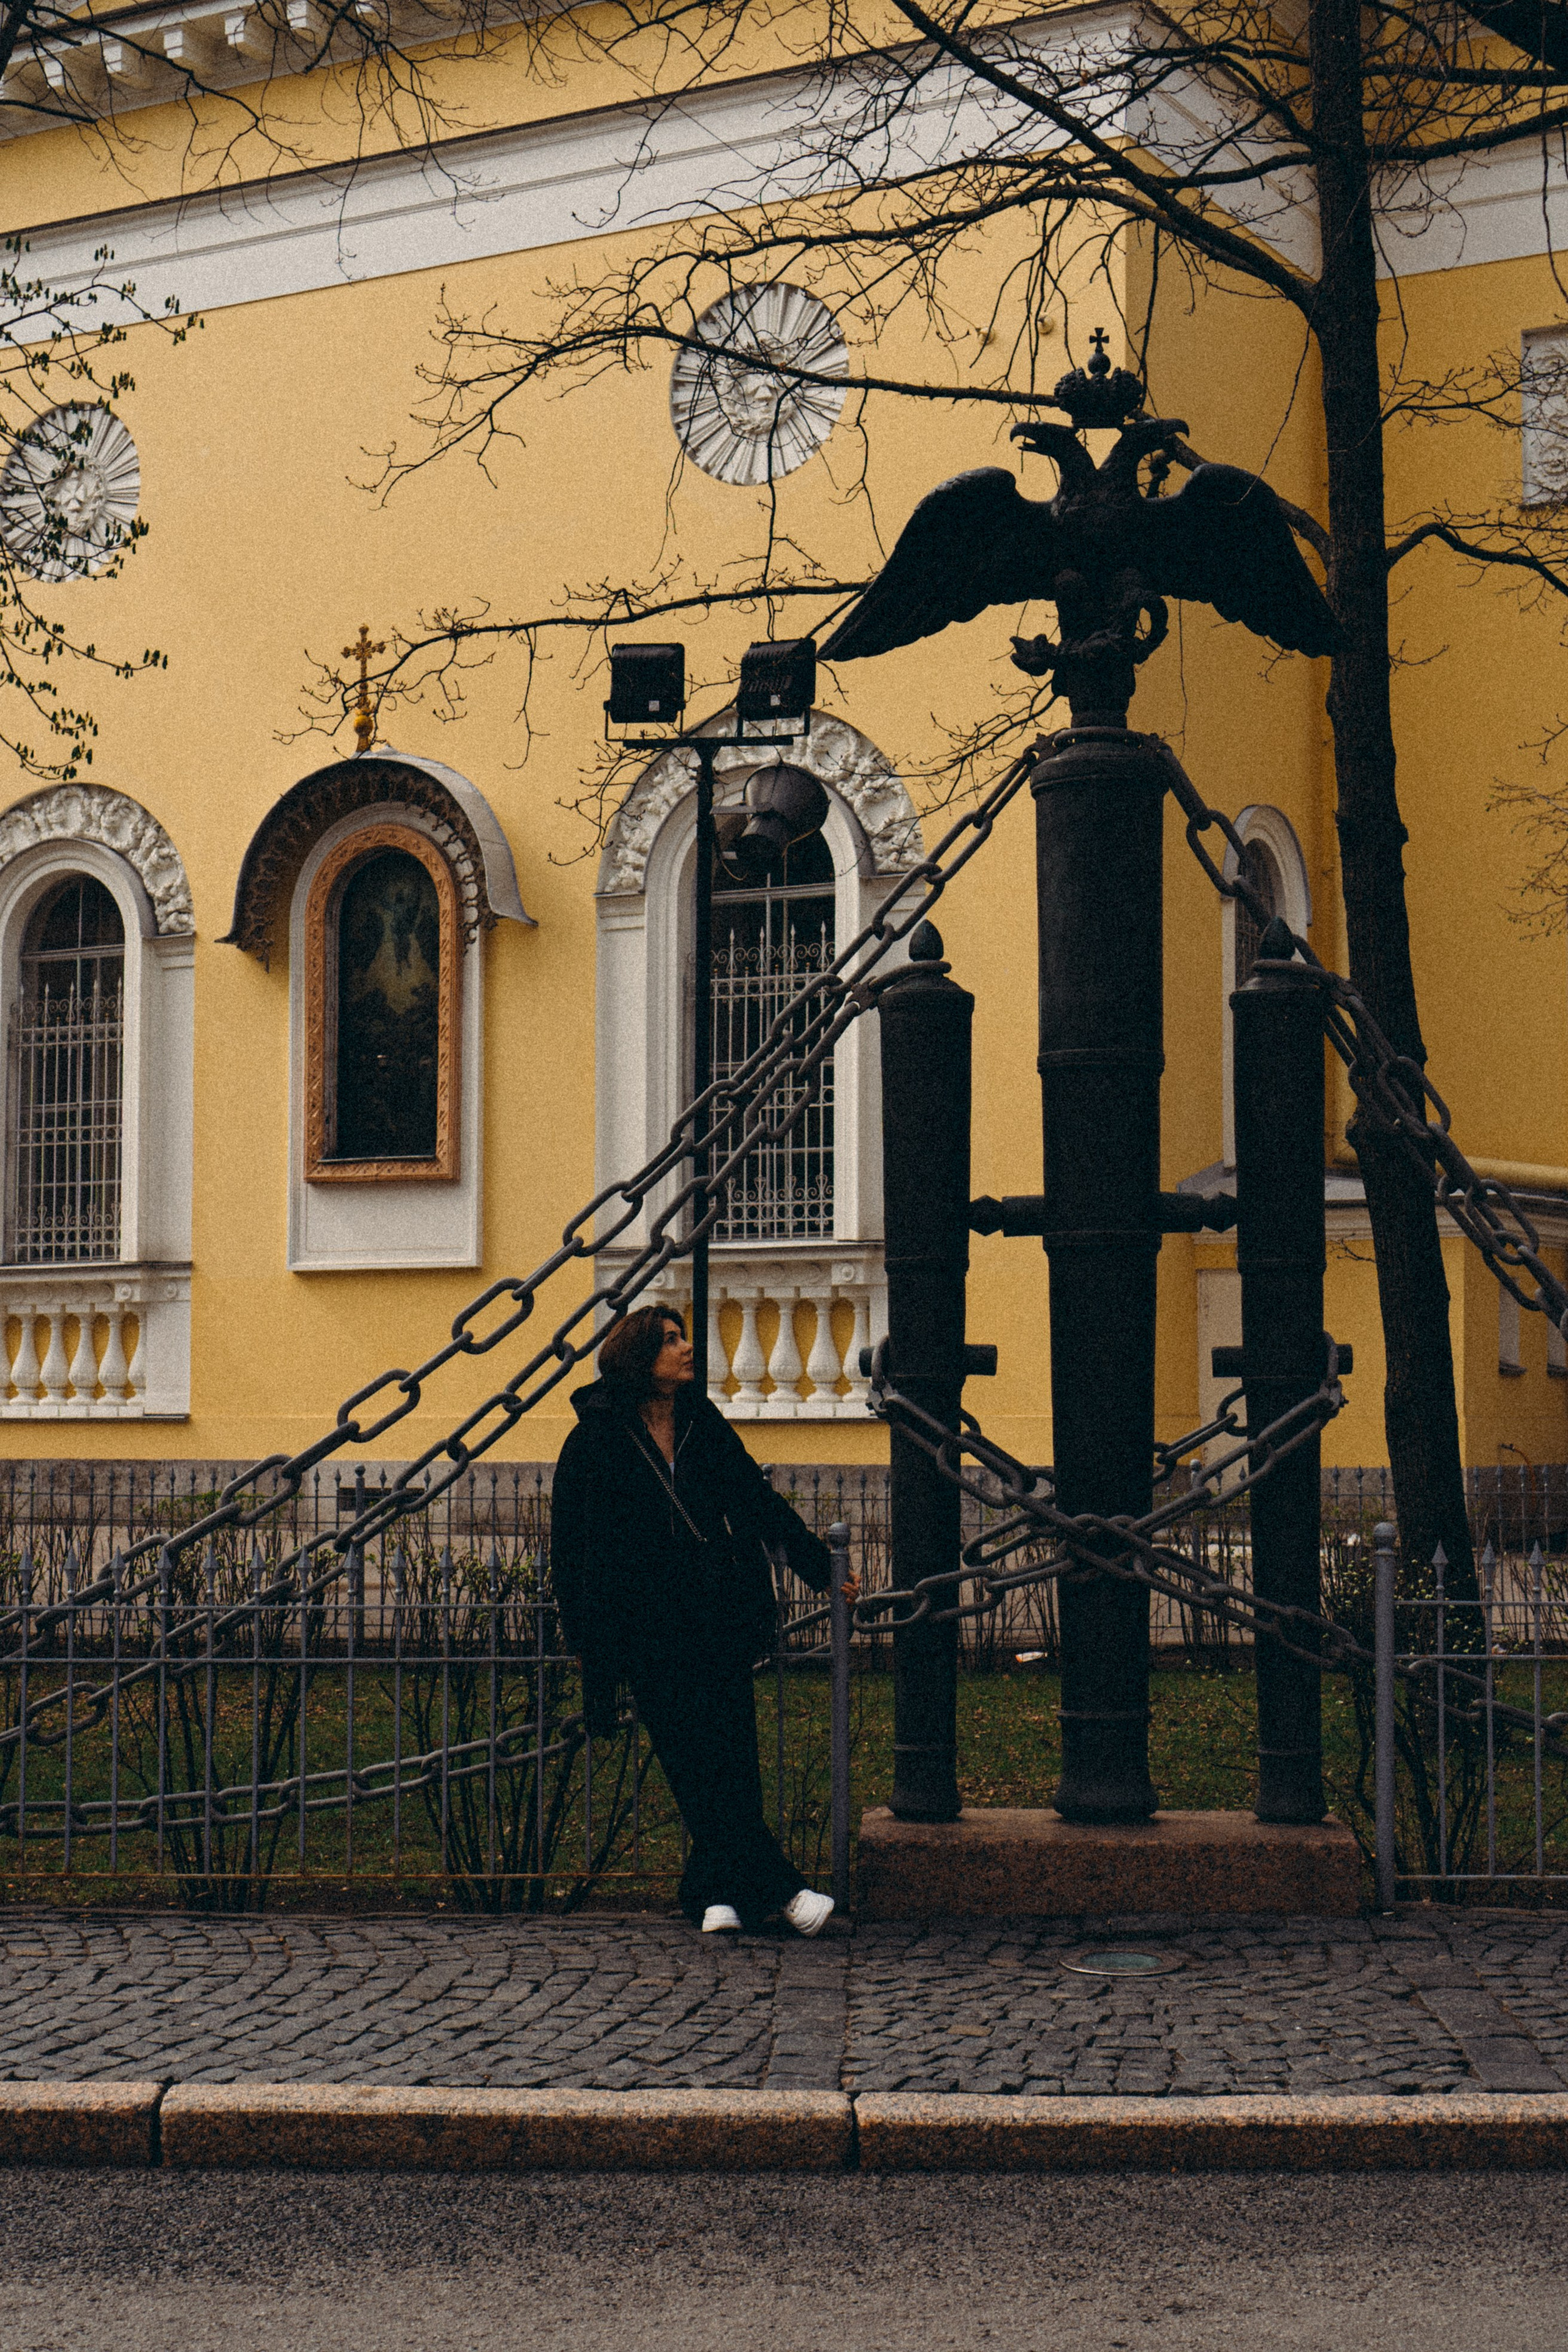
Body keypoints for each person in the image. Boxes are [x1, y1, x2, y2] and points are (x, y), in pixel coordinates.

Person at [551, 1303, 848, 1936]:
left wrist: (818, 1566)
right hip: (645, 1629)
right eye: (671, 1340)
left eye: (683, 1337)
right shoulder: (595, 1438)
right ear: (639, 1358)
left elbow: (753, 1498)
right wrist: (585, 1640)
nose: (687, 1347)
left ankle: (711, 1893)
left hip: (716, 1614)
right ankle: (785, 1892)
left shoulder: (699, 1423)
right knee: (691, 1761)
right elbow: (571, 1551)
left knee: (732, 1757)